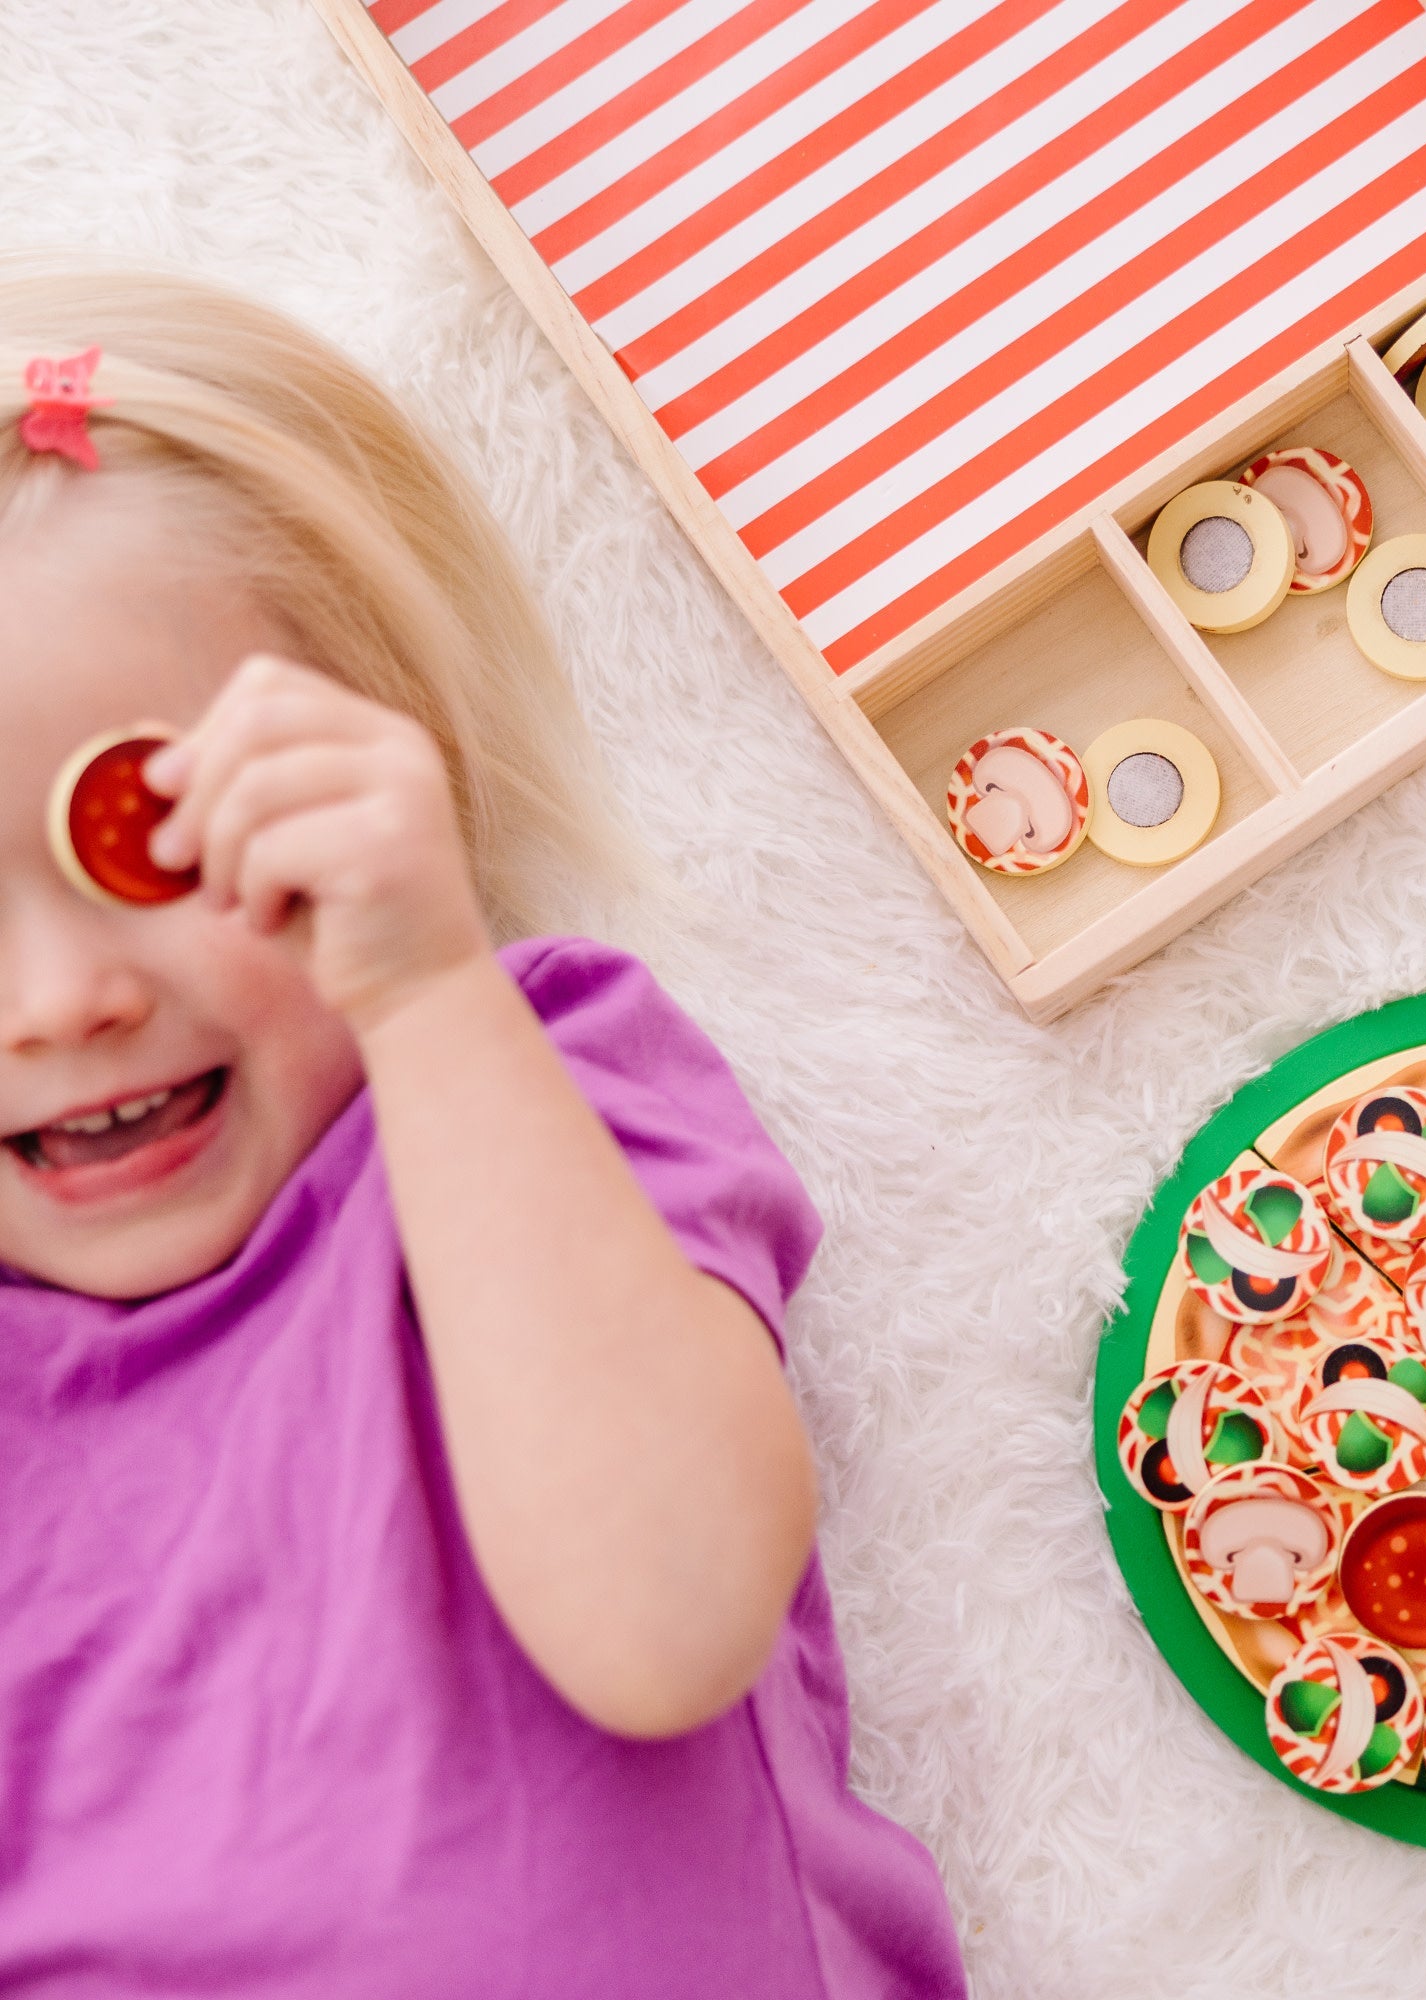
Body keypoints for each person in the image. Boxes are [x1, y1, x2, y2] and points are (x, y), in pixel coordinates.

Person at [0, 261, 964, 1997]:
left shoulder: (525, 1096)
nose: (58, 1000)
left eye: (147, 837)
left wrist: (429, 986)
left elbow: (670, 1619)